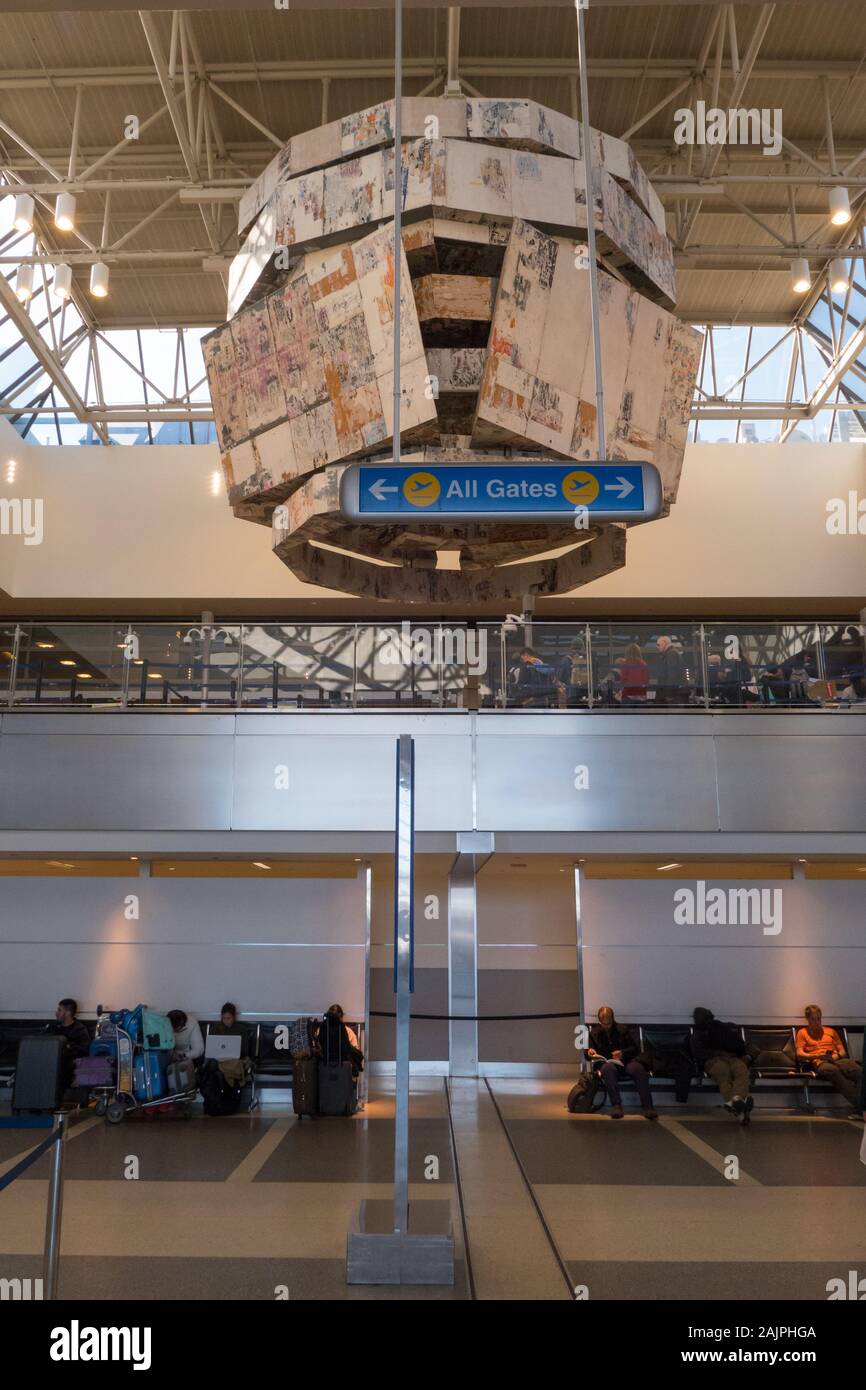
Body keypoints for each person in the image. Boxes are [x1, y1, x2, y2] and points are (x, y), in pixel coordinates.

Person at [586, 1006, 657, 1120]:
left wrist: (622, 1053)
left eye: (608, 1024)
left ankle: (648, 1106)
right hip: (606, 1064)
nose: (606, 1027)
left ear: (612, 1019)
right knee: (608, 1069)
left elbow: (634, 1049)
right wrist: (590, 1052)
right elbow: (588, 1054)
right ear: (599, 1021)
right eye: (604, 1024)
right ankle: (616, 1105)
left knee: (638, 1069)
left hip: (624, 1061)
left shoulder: (622, 1030)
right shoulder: (594, 1033)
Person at [795, 1004, 862, 1118]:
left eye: (819, 1019)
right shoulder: (802, 1033)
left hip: (836, 1059)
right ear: (808, 1019)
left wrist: (835, 1056)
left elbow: (842, 1051)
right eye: (813, 1019)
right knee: (833, 1071)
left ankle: (861, 1106)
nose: (817, 1022)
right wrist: (816, 1055)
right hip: (819, 1061)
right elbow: (799, 1053)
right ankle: (860, 1106)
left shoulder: (830, 1031)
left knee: (859, 1071)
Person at [691, 1006, 753, 1123]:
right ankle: (740, 1105)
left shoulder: (699, 1033)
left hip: (716, 1060)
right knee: (738, 1070)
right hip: (724, 1059)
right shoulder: (725, 1028)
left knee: (730, 1073)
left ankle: (736, 1102)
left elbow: (698, 1052)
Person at [211, 1001, 250, 1088]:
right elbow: (212, 1047)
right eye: (224, 1018)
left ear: (234, 1017)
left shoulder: (241, 1029)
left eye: (229, 1018)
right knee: (212, 1066)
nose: (226, 1021)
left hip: (235, 1059)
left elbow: (245, 1050)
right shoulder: (216, 1029)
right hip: (220, 1059)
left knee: (218, 1068)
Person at [324, 1004, 364, 1078]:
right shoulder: (348, 1031)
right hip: (341, 1067)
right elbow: (355, 1052)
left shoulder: (322, 1029)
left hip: (327, 1067)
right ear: (341, 1017)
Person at [654, 636, 686, 705]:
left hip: (672, 694)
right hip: (674, 693)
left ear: (664, 643)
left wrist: (669, 694)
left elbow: (672, 675)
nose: (657, 647)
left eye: (658, 645)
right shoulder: (672, 653)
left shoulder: (671, 654)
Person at [555, 642, 589, 708]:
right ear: (583, 648)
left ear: (571, 648)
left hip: (572, 694)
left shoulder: (566, 660)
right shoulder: (588, 659)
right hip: (586, 694)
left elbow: (560, 676)